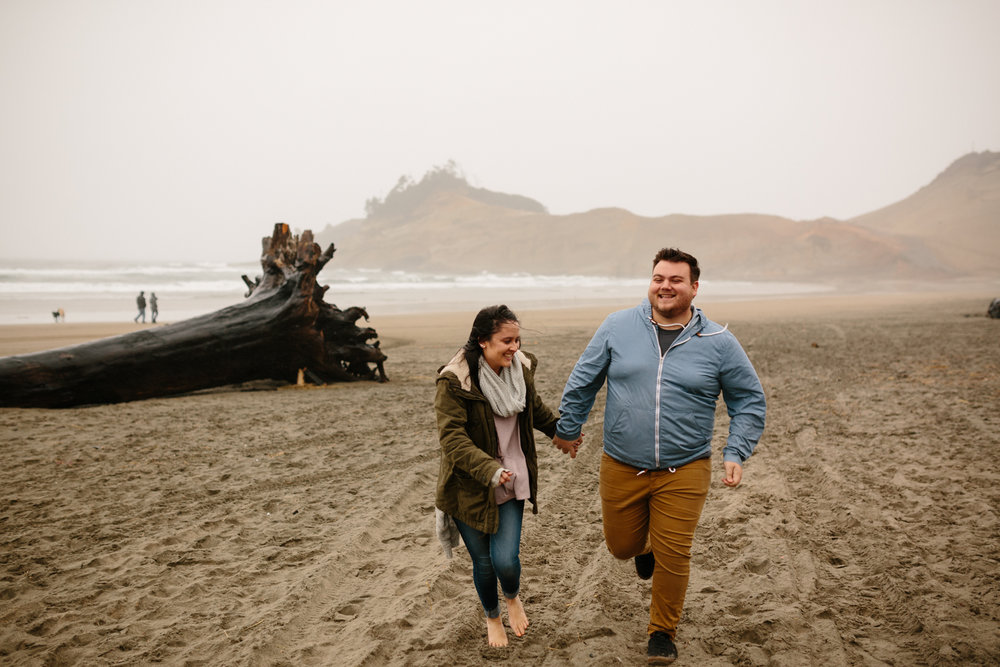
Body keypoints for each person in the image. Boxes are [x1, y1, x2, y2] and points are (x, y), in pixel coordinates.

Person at [551, 248, 766, 664]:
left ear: (694, 288)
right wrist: (568, 427)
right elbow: (583, 379)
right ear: (651, 282)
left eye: (675, 280)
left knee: (676, 553)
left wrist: (735, 450)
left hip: (685, 467)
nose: (665, 286)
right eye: (658, 278)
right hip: (621, 463)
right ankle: (643, 547)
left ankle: (662, 632)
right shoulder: (618, 326)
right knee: (620, 546)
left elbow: (749, 400)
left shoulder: (719, 341)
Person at [434, 304, 581, 648]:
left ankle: (512, 596)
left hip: (512, 477)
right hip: (469, 486)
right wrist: (488, 469)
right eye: (507, 340)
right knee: (484, 563)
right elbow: (452, 438)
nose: (515, 347)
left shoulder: (520, 369)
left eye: (518, 339)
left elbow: (535, 410)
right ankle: (493, 617)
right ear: (483, 341)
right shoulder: (455, 380)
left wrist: (562, 432)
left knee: (506, 560)